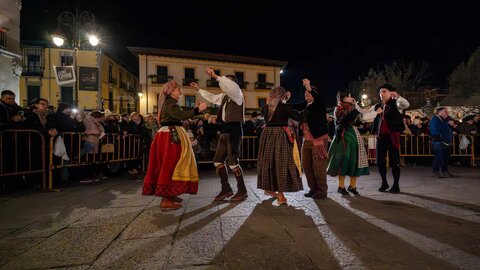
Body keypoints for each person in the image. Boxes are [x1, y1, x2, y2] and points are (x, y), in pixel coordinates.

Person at [143, 80, 206, 210]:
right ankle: (166, 199)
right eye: (178, 90)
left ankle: (170, 194)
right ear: (170, 92)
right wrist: (197, 109)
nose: (180, 92)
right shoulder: (171, 103)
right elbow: (180, 115)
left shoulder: (171, 103)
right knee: (171, 164)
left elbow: (179, 115)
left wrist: (195, 109)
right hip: (170, 136)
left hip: (170, 135)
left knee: (173, 163)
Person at [190, 68, 247, 202]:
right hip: (224, 131)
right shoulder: (224, 97)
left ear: (232, 84)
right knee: (217, 161)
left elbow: (231, 87)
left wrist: (215, 76)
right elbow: (211, 97)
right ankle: (226, 189)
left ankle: (242, 190)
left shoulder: (238, 95)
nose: (224, 84)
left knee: (233, 163)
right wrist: (199, 89)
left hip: (234, 131)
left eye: (226, 81)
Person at [257, 86, 307, 204]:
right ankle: (280, 195)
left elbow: (276, 108)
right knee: (281, 163)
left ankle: (268, 188)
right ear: (282, 96)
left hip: (267, 134)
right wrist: (309, 108)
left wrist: (285, 100)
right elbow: (298, 117)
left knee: (268, 162)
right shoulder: (285, 107)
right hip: (280, 134)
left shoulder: (264, 108)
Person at [327, 90, 382, 195]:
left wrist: (357, 105)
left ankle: (347, 186)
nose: (350, 97)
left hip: (344, 136)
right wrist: (376, 112)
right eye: (349, 96)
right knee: (349, 161)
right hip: (348, 136)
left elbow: (360, 114)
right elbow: (361, 116)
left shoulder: (342, 108)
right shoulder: (345, 108)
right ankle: (346, 186)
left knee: (348, 161)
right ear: (344, 98)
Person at [359, 84, 409, 193]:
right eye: (380, 92)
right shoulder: (378, 106)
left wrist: (398, 96)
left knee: (394, 161)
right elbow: (364, 113)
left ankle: (396, 185)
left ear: (390, 93)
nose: (381, 94)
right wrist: (356, 106)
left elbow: (406, 104)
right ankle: (384, 182)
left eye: (384, 91)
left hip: (392, 137)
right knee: (380, 161)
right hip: (381, 137)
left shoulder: (396, 103)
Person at [293, 79, 330, 199]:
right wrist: (283, 100)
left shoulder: (319, 104)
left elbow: (320, 98)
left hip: (318, 140)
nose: (306, 94)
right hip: (306, 140)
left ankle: (322, 190)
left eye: (309, 93)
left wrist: (309, 87)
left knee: (319, 167)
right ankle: (313, 189)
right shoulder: (305, 105)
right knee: (306, 166)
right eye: (305, 93)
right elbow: (291, 107)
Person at [429, 107, 453, 178]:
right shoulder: (435, 120)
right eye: (445, 111)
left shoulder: (445, 120)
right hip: (438, 141)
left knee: (445, 157)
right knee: (438, 157)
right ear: (439, 113)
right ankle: (436, 171)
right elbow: (436, 130)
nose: (447, 113)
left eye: (447, 111)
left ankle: (444, 170)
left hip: (446, 141)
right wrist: (447, 124)